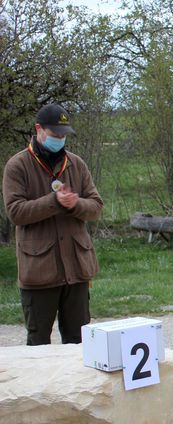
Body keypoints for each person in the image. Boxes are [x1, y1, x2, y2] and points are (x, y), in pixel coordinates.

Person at [2, 103, 103, 345]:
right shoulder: (17, 166)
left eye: (64, 135)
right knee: (38, 345)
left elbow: (96, 206)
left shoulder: (76, 164)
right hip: (38, 272)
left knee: (80, 344)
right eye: (56, 134)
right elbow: (15, 213)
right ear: (39, 129)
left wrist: (75, 204)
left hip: (77, 270)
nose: (60, 139)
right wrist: (54, 202)